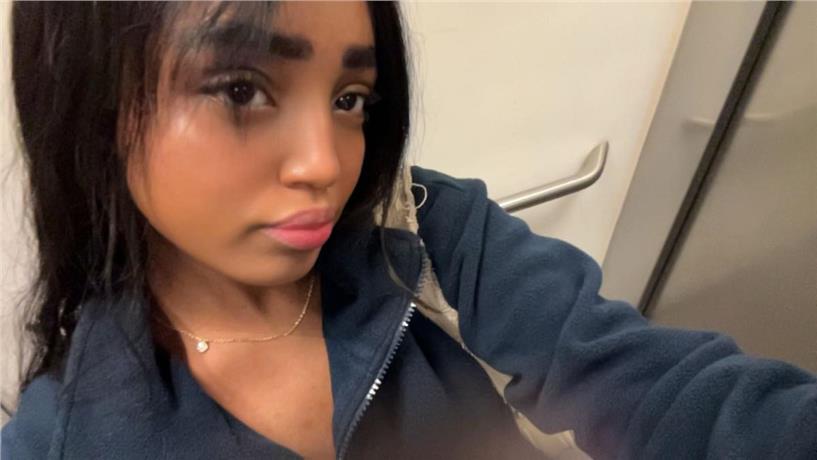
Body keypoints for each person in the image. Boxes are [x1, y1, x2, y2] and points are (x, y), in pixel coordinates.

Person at [2, 2, 815, 459]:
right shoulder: (63, 441)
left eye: (349, 99)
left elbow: (664, 391)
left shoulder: (427, 237)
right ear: (94, 105)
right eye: (242, 89)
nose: (326, 163)